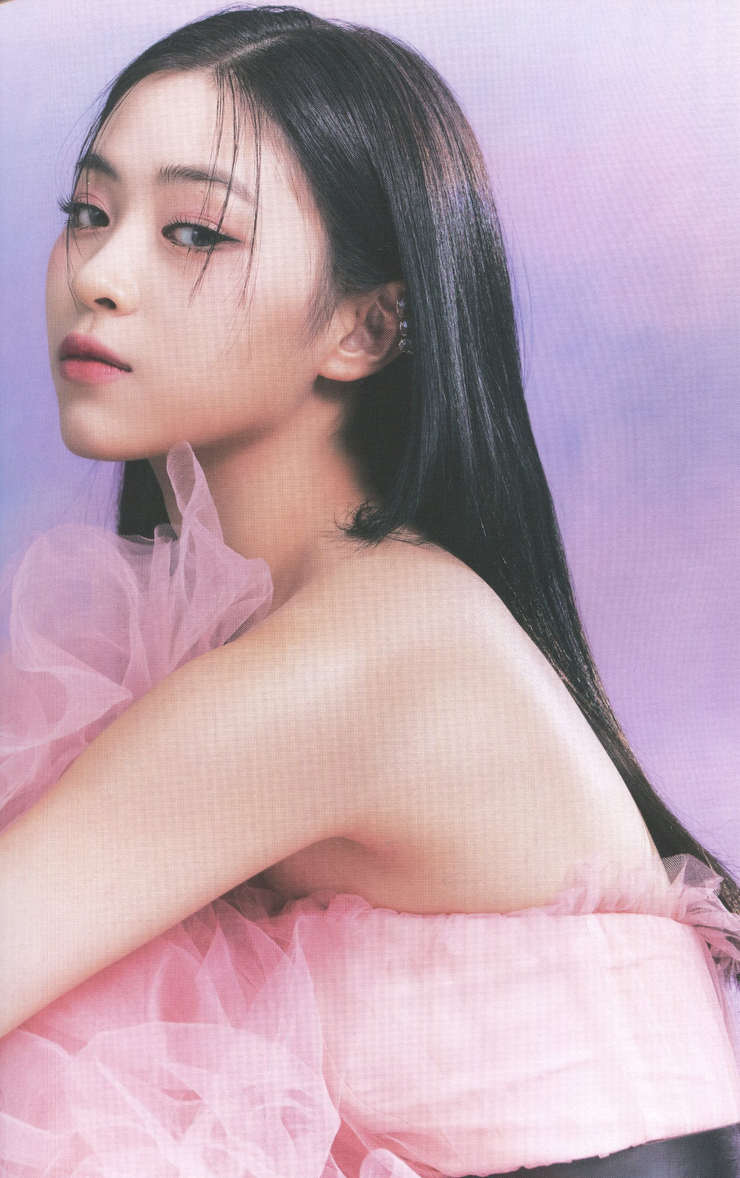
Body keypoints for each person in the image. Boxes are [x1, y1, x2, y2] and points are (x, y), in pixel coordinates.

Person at [0, 5, 739, 1175]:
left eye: (193, 231)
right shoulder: (327, 616)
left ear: (363, 326)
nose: (99, 273)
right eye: (88, 212)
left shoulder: (363, 657)